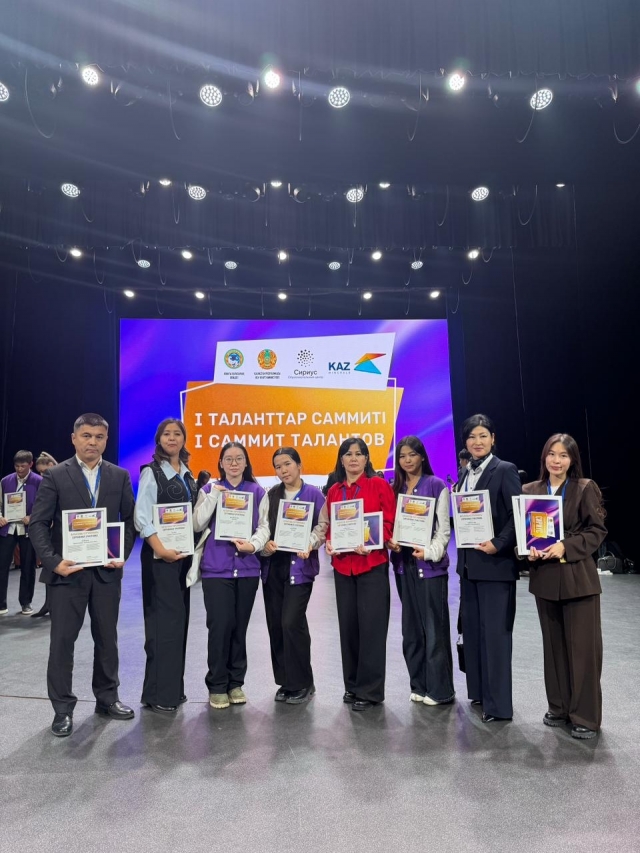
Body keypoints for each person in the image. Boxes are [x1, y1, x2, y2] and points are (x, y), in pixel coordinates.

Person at [29, 414, 136, 737]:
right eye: (86, 435)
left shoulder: (119, 475)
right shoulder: (55, 475)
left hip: (105, 573)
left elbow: (129, 520)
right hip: (67, 574)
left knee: (107, 640)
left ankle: (107, 698)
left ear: (106, 440)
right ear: (74, 438)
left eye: (99, 436)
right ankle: (62, 709)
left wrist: (121, 554)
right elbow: (38, 524)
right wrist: (54, 562)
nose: (92, 442)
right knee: (62, 642)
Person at [524, 433, 607, 739]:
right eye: (551, 454)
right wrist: (526, 550)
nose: (556, 461)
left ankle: (585, 716)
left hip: (578, 580)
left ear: (572, 460)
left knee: (583, 651)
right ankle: (558, 707)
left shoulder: (585, 488)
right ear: (544, 457)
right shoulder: (530, 490)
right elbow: (524, 532)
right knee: (554, 648)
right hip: (545, 580)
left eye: (563, 455)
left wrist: (565, 546)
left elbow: (597, 531)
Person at [193, 442, 270, 709]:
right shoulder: (208, 490)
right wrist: (215, 496)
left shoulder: (257, 491)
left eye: (239, 459)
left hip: (247, 568)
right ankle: (217, 685)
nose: (234, 463)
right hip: (216, 569)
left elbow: (264, 527)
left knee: (239, 627)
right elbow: (197, 523)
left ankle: (235, 683)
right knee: (220, 626)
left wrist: (253, 545)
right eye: (228, 459)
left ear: (246, 462)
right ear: (221, 463)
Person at [456, 414, 521, 723]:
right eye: (472, 437)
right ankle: (480, 693)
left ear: (493, 438)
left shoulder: (505, 470)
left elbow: (517, 516)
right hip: (469, 568)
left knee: (495, 637)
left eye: (483, 435)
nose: (477, 442)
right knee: (474, 635)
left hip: (496, 566)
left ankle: (498, 706)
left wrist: (499, 543)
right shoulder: (464, 473)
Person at [322, 437, 396, 711]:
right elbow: (331, 526)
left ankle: (371, 691)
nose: (353, 458)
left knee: (372, 629)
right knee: (349, 628)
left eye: (359, 453)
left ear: (366, 459)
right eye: (348, 454)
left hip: (371, 565)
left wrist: (373, 541)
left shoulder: (378, 485)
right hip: (343, 567)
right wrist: (330, 542)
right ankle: (352, 686)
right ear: (341, 460)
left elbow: (389, 522)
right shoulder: (334, 491)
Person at [134, 419, 198, 714]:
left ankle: (171, 689)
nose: (172, 438)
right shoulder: (152, 472)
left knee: (178, 623)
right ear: (158, 439)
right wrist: (161, 550)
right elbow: (142, 517)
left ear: (184, 439)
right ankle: (160, 693)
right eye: (166, 434)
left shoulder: (187, 473)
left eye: (177, 434)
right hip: (160, 559)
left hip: (181, 559)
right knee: (163, 625)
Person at [387, 436, 455, 706]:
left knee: (434, 631)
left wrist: (430, 552)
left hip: (430, 567)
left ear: (422, 456)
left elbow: (443, 529)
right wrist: (391, 542)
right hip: (403, 566)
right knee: (411, 631)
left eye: (412, 454)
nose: (407, 460)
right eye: (402, 456)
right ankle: (419, 684)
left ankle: (441, 690)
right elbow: (391, 526)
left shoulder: (436, 485)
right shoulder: (395, 489)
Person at [261, 448, 326, 704]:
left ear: (299, 465)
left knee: (291, 622)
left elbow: (322, 527)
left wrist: (310, 542)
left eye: (287, 464)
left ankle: (302, 682)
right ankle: (286, 682)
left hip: (300, 568)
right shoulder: (271, 495)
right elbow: (263, 527)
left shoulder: (314, 495)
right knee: (277, 625)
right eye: (278, 467)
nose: (283, 470)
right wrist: (265, 545)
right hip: (273, 568)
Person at [0, 451, 43, 616]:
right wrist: (0, 516)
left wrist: (32, 517)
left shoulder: (39, 481)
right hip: (8, 529)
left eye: (23, 466)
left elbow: (43, 505)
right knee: (2, 566)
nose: (19, 469)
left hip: (28, 530)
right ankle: (1, 603)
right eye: (17, 466)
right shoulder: (5, 481)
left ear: (30, 464)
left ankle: (26, 603)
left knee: (27, 566)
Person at [30, 453, 59, 618]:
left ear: (51, 465)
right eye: (40, 472)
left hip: (61, 531)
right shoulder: (46, 482)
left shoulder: (63, 479)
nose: (42, 475)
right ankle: (48, 604)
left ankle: (53, 605)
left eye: (44, 471)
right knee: (49, 567)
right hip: (49, 531)